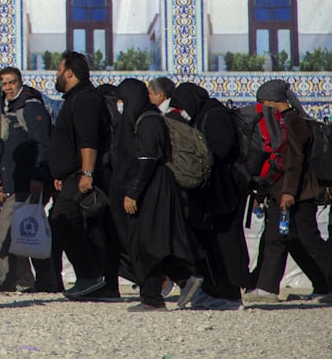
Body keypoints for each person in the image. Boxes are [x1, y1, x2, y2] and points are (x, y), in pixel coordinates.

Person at [115, 78, 203, 311]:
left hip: (153, 189)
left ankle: (155, 296)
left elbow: (148, 158)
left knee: (147, 242)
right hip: (150, 187)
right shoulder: (145, 119)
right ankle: (177, 283)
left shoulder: (149, 121)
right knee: (150, 243)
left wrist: (133, 192)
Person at [243, 79, 332, 305]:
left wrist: (289, 192)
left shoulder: (294, 122)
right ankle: (273, 287)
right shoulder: (281, 122)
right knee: (287, 239)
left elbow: (294, 161)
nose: (261, 107)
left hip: (299, 194)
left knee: (307, 240)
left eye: (263, 102)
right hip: (284, 193)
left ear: (274, 101)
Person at [169, 82, 250, 311]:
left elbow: (220, 149)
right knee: (210, 242)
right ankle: (216, 291)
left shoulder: (215, 116)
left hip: (223, 189)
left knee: (225, 243)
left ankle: (231, 294)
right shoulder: (204, 115)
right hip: (211, 189)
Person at [48, 51, 114, 300]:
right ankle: (98, 282)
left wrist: (86, 172)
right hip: (72, 175)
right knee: (88, 227)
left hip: (82, 175)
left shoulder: (85, 99)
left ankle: (89, 276)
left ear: (69, 72)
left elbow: (88, 141)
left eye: (58, 68)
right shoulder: (75, 98)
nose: (55, 73)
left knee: (61, 218)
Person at [0, 66, 58, 293]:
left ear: (20, 82)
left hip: (29, 181)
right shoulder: (9, 108)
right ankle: (35, 280)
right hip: (15, 181)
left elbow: (43, 144)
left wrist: (38, 177)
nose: (7, 88)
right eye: (4, 83)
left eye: (11, 83)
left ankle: (10, 278)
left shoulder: (30, 107)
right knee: (27, 231)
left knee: (10, 227)